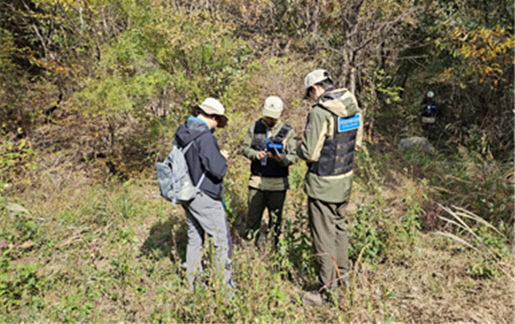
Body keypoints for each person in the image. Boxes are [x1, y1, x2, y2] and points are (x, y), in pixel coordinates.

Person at [296, 69, 363, 306]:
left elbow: (311, 153)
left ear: (315, 89)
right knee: (339, 229)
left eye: (310, 94)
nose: (311, 99)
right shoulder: (352, 103)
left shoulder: (319, 111)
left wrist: (298, 147)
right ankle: (343, 279)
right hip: (344, 179)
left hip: (322, 183)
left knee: (323, 236)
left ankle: (327, 292)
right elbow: (357, 143)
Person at [174, 97, 234, 294]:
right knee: (221, 241)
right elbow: (217, 170)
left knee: (195, 238)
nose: (217, 125)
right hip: (205, 196)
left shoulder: (183, 132)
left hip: (187, 193)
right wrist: (223, 158)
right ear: (213, 116)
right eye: (218, 121)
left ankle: (193, 285)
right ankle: (225, 291)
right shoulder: (205, 136)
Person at [241, 96, 298, 249]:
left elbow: (294, 156)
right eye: (267, 116)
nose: (269, 119)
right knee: (252, 219)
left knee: (276, 221)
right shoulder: (254, 127)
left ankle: (274, 250)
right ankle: (249, 250)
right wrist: (255, 155)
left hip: (278, 185)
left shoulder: (288, 131)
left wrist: (282, 160)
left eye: (273, 117)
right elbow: (245, 148)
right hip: (257, 182)